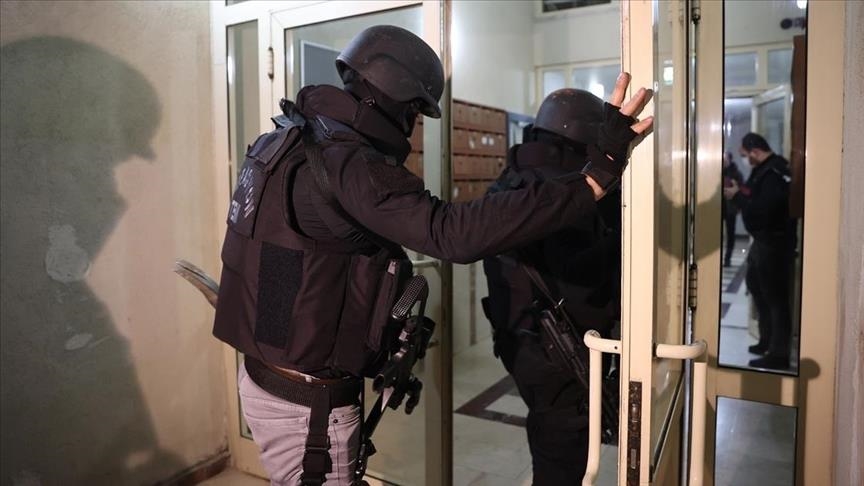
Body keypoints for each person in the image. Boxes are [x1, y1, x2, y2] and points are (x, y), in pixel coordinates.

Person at [213, 24, 653, 485]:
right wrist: (591, 181)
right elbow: (451, 234)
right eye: (416, 113)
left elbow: (292, 261)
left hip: (266, 376)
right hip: (305, 403)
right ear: (400, 101)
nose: (413, 126)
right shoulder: (348, 161)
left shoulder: (288, 140)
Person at [481, 88, 627, 485]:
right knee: (563, 458)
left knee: (551, 440)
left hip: (524, 343)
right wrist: (623, 239)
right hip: (559, 352)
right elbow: (579, 277)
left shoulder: (515, 178)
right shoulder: (562, 189)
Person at [724, 132, 793, 370]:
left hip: (774, 244)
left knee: (776, 300)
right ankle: (766, 341)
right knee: (757, 289)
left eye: (745, 155)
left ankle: (779, 354)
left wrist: (737, 198)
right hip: (762, 242)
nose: (746, 160)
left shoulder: (775, 172)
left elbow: (764, 210)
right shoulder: (762, 170)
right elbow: (753, 195)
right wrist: (740, 192)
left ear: (755, 151)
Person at [722, 151, 744, 267]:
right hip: (718, 207)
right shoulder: (716, 172)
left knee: (730, 234)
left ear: (730, 160)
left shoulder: (736, 173)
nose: (723, 161)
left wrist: (735, 191)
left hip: (731, 208)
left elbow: (743, 189)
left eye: (725, 159)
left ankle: (727, 258)